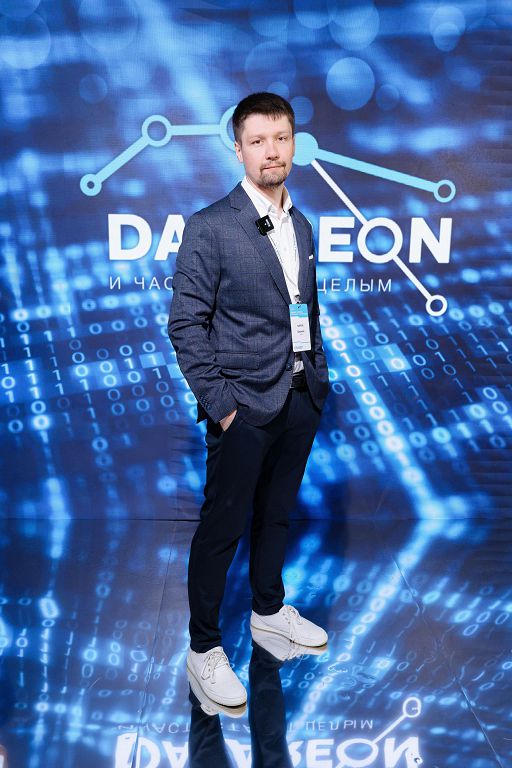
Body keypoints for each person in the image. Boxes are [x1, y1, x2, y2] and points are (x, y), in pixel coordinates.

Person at [168, 92, 330, 708]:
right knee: (222, 528)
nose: (271, 151)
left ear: (295, 145)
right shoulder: (210, 226)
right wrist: (223, 406)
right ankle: (204, 649)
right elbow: (186, 325)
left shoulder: (303, 225)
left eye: (281, 138)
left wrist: (316, 378)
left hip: (300, 397)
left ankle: (268, 612)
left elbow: (307, 312)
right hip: (242, 406)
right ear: (238, 149)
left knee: (278, 514)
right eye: (258, 140)